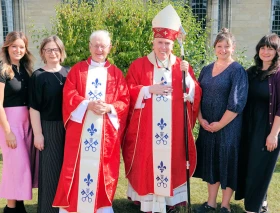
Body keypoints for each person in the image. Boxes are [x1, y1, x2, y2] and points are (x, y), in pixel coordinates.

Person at [122, 5, 202, 213]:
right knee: (148, 162)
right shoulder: (138, 65)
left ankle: (169, 202)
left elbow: (194, 92)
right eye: (160, 42)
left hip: (173, 128)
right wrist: (149, 89)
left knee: (172, 161)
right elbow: (127, 91)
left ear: (173, 44)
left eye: (167, 43)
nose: (163, 47)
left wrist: (190, 84)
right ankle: (147, 201)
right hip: (147, 130)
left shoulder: (181, 66)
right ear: (153, 42)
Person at [52, 30, 130, 213]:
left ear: (109, 48)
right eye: (95, 45)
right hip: (80, 133)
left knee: (103, 169)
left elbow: (124, 101)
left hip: (105, 135)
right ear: (89, 46)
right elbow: (69, 95)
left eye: (103, 46)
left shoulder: (116, 75)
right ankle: (73, 208)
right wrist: (87, 104)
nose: (99, 49)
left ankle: (101, 207)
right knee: (76, 168)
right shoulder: (77, 70)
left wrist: (109, 108)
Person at [193, 28, 248, 213]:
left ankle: (225, 205)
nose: (223, 49)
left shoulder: (237, 70)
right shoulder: (206, 69)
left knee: (227, 162)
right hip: (208, 126)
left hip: (228, 128)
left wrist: (220, 124)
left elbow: (237, 103)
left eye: (227, 46)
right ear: (214, 47)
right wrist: (201, 119)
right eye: (219, 46)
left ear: (233, 48)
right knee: (212, 162)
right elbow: (197, 95)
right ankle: (211, 202)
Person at [235, 33, 280, 213]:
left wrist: (274, 134)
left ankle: (252, 208)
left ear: (277, 52)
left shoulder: (278, 75)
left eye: (270, 48)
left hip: (267, 129)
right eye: (263, 47)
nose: (266, 51)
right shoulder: (251, 72)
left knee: (259, 168)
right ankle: (261, 202)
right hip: (248, 128)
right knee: (249, 165)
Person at [29, 35, 68, 213]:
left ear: (61, 51)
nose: (53, 53)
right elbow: (34, 108)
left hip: (70, 129)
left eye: (56, 49)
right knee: (50, 173)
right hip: (49, 128)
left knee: (67, 172)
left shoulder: (69, 73)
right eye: (48, 49)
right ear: (43, 53)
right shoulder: (38, 76)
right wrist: (38, 134)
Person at [0, 31, 35, 213]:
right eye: (14, 46)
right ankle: (11, 209)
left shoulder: (26, 69)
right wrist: (7, 131)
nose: (18, 50)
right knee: (15, 166)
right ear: (7, 47)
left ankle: (19, 205)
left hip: (26, 124)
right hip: (10, 123)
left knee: (23, 166)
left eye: (22, 47)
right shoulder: (2, 69)